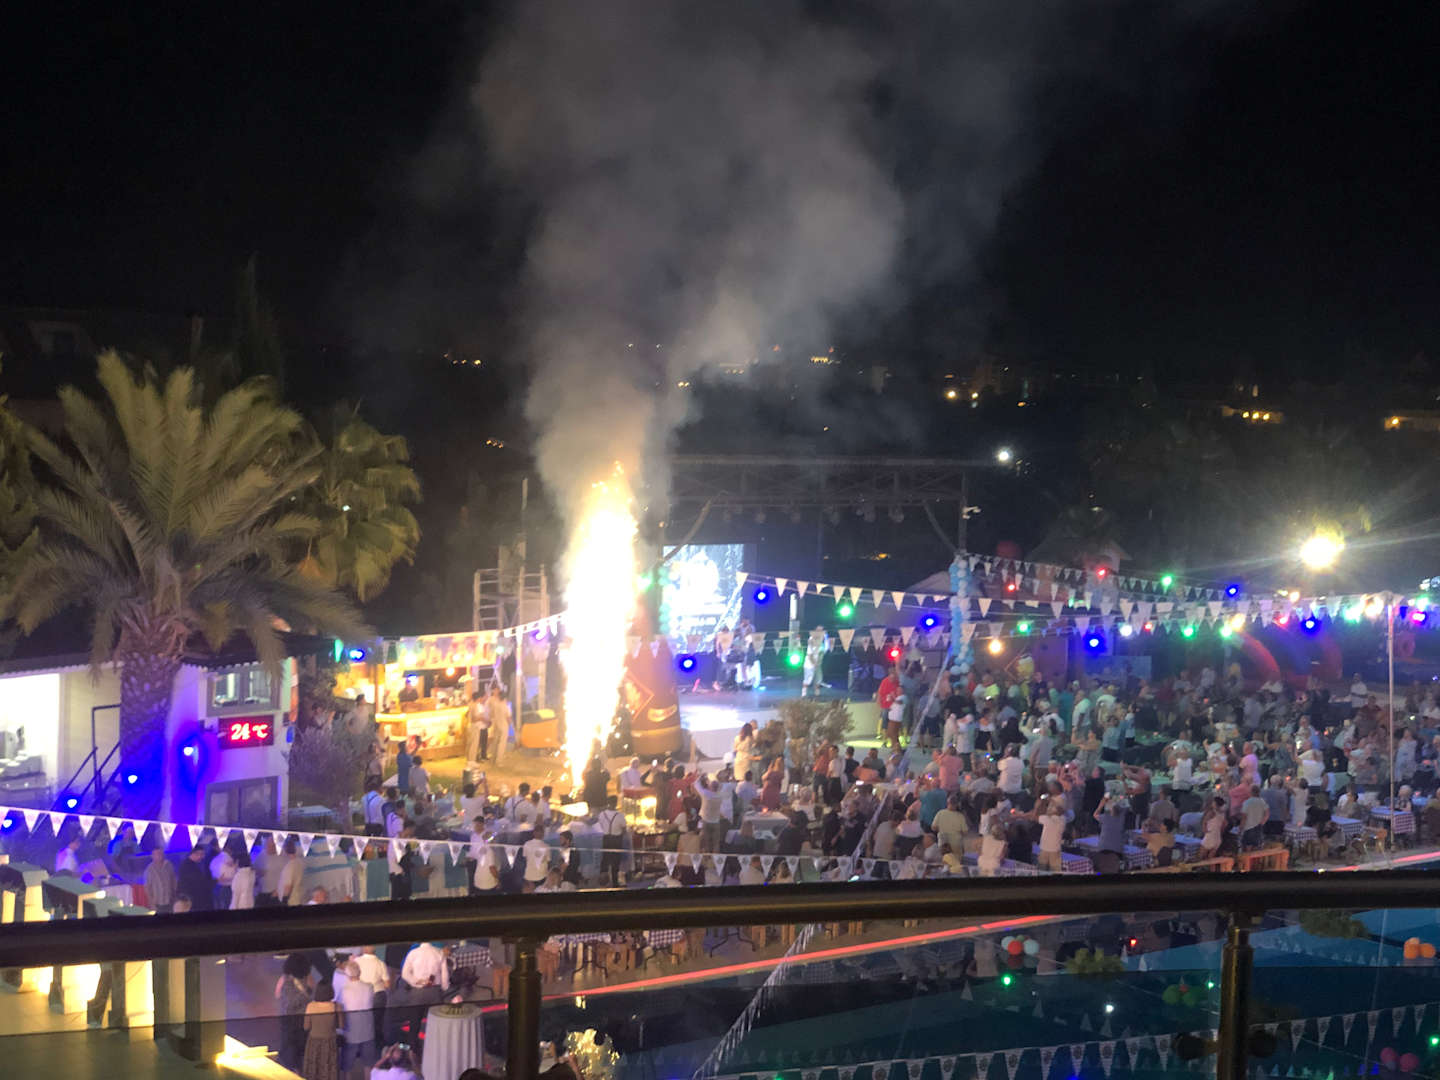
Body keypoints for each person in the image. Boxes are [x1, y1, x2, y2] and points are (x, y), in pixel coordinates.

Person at [337, 959, 376, 1075]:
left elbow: (340, 1007)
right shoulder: (369, 987)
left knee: (347, 1065)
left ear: (347, 975)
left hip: (351, 1031)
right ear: (360, 972)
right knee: (368, 1064)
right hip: (368, 1030)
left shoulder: (344, 990)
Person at [276, 955, 312, 1071]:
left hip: (292, 1019)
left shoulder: (286, 979)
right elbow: (292, 1003)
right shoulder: (301, 980)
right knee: (297, 1048)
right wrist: (304, 994)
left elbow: (278, 995)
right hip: (298, 1020)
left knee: (292, 1047)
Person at [303, 980, 341, 1080]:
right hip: (330, 1042)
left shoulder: (311, 1006)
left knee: (314, 1070)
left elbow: (306, 1026)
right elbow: (341, 1025)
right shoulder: (337, 1006)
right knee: (329, 1069)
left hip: (314, 1042)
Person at [596, 796, 627, 887]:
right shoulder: (620, 815)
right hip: (616, 840)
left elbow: (599, 826)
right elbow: (624, 829)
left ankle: (603, 882)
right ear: (616, 803)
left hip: (605, 839)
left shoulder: (602, 814)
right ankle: (615, 882)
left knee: (604, 861)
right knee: (615, 862)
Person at [178, 844, 214, 910]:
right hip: (193, 900)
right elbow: (199, 882)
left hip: (194, 899)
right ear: (195, 853)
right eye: (202, 854)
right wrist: (215, 881)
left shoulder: (192, 864)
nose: (203, 857)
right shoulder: (188, 866)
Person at [1239, 784, 1269, 849]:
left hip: (1248, 828)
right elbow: (1267, 814)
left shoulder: (1247, 802)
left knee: (1247, 848)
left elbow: (1244, 817)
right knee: (1256, 847)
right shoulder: (1262, 801)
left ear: (1251, 792)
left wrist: (1240, 828)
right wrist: (1262, 822)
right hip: (1258, 827)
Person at [468, 691, 490, 762]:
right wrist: (487, 721)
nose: (486, 698)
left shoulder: (471, 705)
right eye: (485, 696)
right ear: (479, 698)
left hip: (474, 726)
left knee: (474, 744)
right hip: (477, 726)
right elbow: (478, 717)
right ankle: (473, 760)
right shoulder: (477, 705)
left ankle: (473, 759)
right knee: (475, 744)